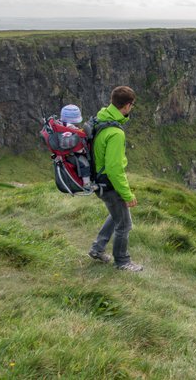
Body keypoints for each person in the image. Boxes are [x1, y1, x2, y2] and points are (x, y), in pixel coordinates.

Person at [87, 86, 142, 271]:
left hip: (97, 180)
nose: (131, 108)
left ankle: (97, 248)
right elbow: (114, 169)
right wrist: (127, 194)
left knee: (116, 214)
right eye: (131, 105)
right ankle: (123, 261)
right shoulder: (116, 133)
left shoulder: (101, 117)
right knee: (125, 224)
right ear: (127, 106)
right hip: (108, 184)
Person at [59, 104, 93, 191]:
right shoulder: (71, 129)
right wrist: (82, 151)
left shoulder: (60, 125)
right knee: (84, 163)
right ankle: (87, 184)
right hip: (72, 153)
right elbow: (76, 145)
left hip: (64, 153)